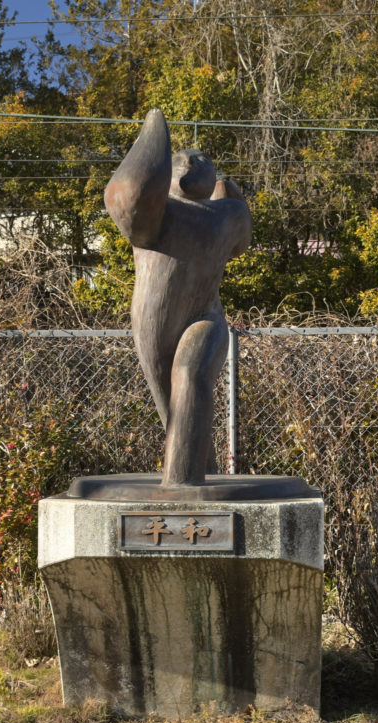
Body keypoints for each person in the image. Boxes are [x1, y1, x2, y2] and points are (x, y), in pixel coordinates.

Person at [104, 110, 252, 486]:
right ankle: (203, 472)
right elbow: (129, 196)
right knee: (171, 407)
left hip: (206, 316)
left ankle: (182, 488)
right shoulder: (160, 213)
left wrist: (229, 194)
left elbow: (242, 240)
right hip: (153, 323)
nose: (189, 162)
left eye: (201, 159)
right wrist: (154, 133)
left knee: (190, 375)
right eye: (179, 160)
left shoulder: (227, 213)